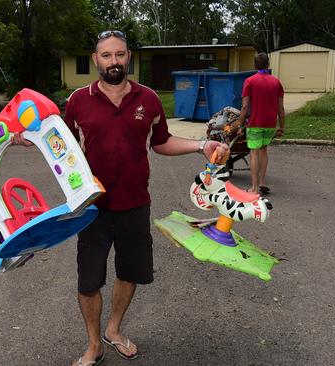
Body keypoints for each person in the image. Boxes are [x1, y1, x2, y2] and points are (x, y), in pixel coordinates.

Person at [62, 30, 228, 366]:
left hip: (135, 204)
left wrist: (201, 146)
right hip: (92, 208)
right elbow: (60, 148)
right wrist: (29, 137)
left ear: (129, 57)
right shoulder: (78, 101)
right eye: (106, 55)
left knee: (130, 272)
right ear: (96, 59)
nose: (114, 61)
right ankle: (94, 345)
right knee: (89, 281)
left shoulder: (148, 98)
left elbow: (162, 141)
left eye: (120, 54)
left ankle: (113, 329)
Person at [235, 52, 285, 195]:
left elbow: (244, 107)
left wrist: (239, 125)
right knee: (264, 150)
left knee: (254, 153)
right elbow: (281, 107)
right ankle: (262, 183)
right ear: (268, 64)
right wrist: (282, 126)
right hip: (270, 124)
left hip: (255, 123)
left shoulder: (249, 81)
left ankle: (255, 188)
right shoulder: (276, 82)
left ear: (254, 65)